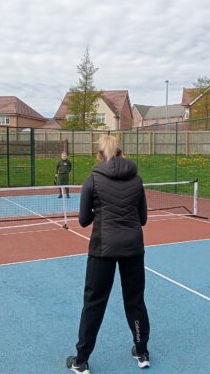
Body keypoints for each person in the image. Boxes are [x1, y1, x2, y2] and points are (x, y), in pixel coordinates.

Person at [66, 136, 150, 373]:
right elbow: (142, 219)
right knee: (135, 300)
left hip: (103, 249)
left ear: (100, 155)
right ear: (121, 153)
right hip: (133, 248)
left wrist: (99, 211)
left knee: (94, 303)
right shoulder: (137, 180)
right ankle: (142, 351)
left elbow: (83, 220)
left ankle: (81, 360)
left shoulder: (92, 180)